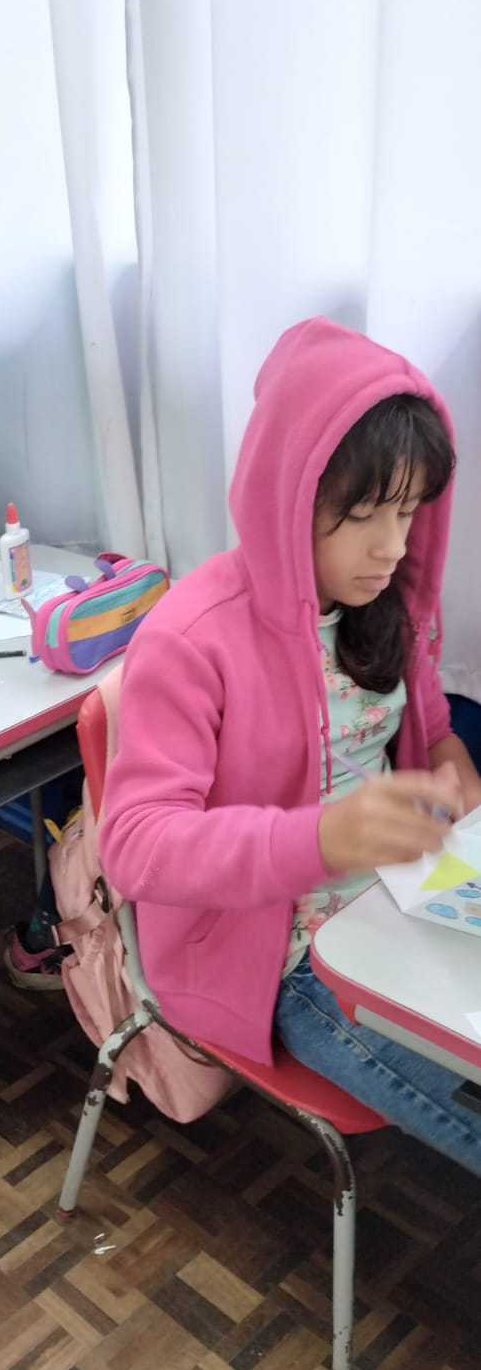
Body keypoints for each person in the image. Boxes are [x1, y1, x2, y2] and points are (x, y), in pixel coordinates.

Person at [100, 317, 481, 1174]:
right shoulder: (192, 638)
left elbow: (427, 733)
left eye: (409, 512)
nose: (393, 546)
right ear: (290, 497)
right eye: (364, 515)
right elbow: (134, 845)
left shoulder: (388, 599)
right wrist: (323, 838)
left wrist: (451, 769)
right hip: (276, 955)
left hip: (406, 898)